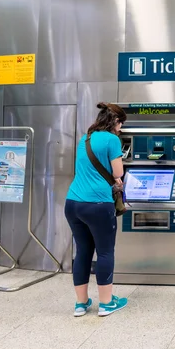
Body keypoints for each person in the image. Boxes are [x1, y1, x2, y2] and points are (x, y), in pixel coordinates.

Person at [65, 102, 128, 317]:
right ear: (115, 122)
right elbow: (117, 171)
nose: (121, 129)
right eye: (121, 124)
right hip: (98, 204)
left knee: (83, 251)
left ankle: (81, 304)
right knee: (105, 251)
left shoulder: (86, 138)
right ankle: (106, 303)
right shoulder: (112, 139)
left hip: (73, 203)